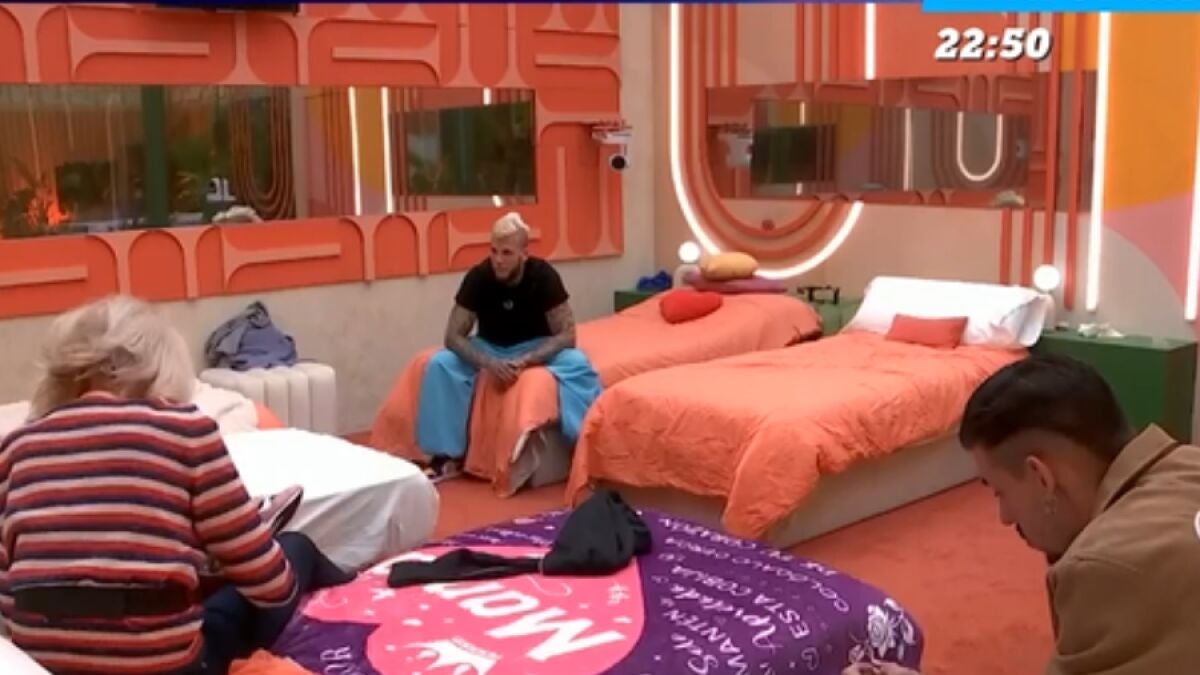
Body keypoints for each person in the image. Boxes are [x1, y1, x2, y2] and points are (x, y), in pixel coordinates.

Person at [0, 295, 352, 674]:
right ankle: (361, 591)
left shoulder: (15, 447)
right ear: (160, 364)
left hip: (46, 663)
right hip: (163, 666)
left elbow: (7, 597)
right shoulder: (186, 431)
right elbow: (270, 586)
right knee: (296, 548)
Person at [844, 353, 1200, 675]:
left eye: (999, 491)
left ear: (1041, 477)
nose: (1004, 517)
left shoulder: (1106, 565)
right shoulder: (1187, 462)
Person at [415, 212, 602, 478]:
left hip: (535, 346)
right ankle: (444, 456)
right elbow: (453, 336)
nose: (498, 260)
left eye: (506, 253)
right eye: (493, 251)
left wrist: (526, 360)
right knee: (440, 364)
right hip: (489, 346)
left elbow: (567, 335)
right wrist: (490, 363)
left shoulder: (544, 276)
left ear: (524, 254)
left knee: (577, 363)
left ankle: (583, 446)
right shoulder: (479, 277)